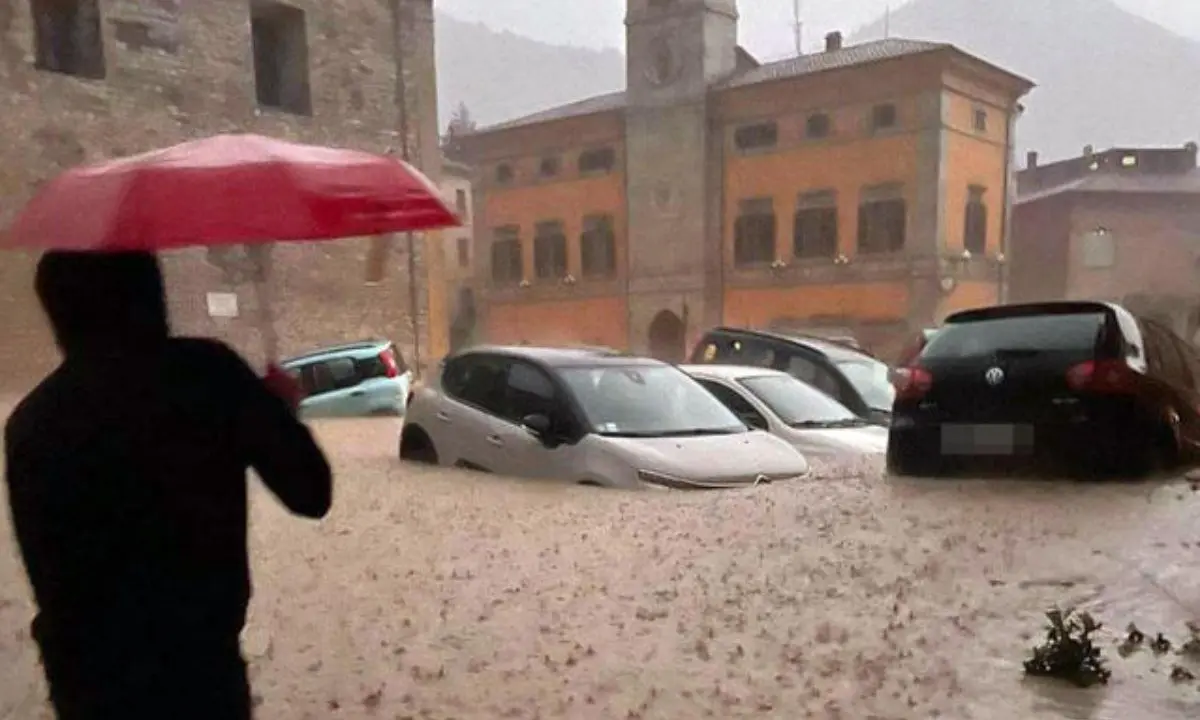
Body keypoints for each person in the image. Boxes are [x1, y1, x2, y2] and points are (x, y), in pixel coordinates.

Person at [4, 250, 333, 719]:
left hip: (87, 690)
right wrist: (278, 414)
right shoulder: (208, 374)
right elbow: (311, 492)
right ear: (150, 294)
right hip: (200, 679)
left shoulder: (31, 424)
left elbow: (49, 580)